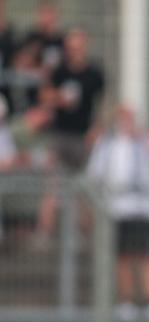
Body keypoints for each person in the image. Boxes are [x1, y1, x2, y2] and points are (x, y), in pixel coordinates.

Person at [86, 105, 149, 322]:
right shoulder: (107, 143)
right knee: (123, 257)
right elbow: (94, 174)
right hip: (118, 208)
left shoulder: (147, 139)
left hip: (144, 207)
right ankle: (127, 302)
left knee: (145, 256)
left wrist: (144, 137)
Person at [34, 27, 105, 244]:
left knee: (84, 190)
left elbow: (101, 105)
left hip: (82, 138)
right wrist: (59, 97)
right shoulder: (59, 71)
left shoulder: (94, 73)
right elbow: (44, 94)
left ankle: (87, 236)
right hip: (60, 136)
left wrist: (96, 129)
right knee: (52, 187)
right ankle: (44, 234)